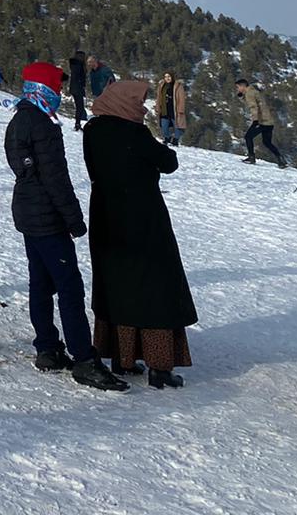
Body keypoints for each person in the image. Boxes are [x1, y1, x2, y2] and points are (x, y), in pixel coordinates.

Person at [4, 60, 127, 391]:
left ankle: (47, 348)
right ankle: (84, 360)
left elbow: (23, 168)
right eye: (55, 87)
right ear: (42, 88)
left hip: (28, 214)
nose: (59, 92)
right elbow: (55, 178)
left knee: (41, 283)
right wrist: (74, 219)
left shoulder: (19, 119)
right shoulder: (42, 124)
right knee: (70, 287)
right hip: (46, 217)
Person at [83, 79, 197, 389]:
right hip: (143, 217)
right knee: (155, 287)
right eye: (139, 101)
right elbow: (169, 162)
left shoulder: (92, 131)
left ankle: (123, 357)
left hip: (106, 215)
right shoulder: (134, 133)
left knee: (117, 283)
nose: (143, 108)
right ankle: (159, 366)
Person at [236, 78, 287, 166]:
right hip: (269, 121)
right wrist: (242, 97)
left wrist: (255, 121)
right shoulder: (254, 92)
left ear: (243, 86)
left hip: (261, 121)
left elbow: (253, 107)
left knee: (248, 137)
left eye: (238, 87)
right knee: (267, 142)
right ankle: (280, 159)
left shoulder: (249, 94)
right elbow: (254, 103)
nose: (238, 89)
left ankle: (251, 157)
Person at [156, 71, 187, 146]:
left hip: (174, 109)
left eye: (169, 76)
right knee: (164, 125)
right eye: (166, 77)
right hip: (164, 108)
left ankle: (176, 139)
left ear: (172, 77)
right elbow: (158, 97)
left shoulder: (178, 85)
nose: (167, 78)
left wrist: (181, 109)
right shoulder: (162, 85)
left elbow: (181, 98)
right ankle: (167, 138)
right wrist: (157, 106)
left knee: (177, 125)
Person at [67, 53, 88, 130]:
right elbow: (80, 78)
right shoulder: (78, 65)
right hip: (78, 89)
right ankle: (77, 124)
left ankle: (78, 123)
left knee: (79, 107)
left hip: (75, 88)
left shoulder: (74, 65)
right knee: (80, 107)